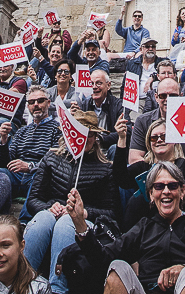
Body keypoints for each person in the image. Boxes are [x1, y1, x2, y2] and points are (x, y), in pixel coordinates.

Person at [67, 162, 185, 294]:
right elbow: (102, 259)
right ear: (151, 195)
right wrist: (80, 223)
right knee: (118, 267)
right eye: (159, 186)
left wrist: (183, 269)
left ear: (182, 191)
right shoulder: (144, 226)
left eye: (172, 186)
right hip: (146, 289)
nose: (166, 191)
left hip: (184, 288)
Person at [23, 111, 116, 293]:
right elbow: (33, 200)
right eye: (79, 132)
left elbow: (112, 213)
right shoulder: (51, 158)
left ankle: (57, 288)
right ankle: (21, 280)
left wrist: (84, 213)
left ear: (96, 137)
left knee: (67, 222)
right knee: (43, 219)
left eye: (90, 134)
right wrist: (50, 207)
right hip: (52, 214)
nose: (84, 138)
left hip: (83, 223)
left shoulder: (105, 169)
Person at [113, 117, 185, 228]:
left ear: (174, 140)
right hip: (148, 230)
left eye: (164, 136)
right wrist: (121, 138)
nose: (159, 140)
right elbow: (120, 178)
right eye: (153, 138)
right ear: (149, 144)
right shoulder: (143, 167)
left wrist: (176, 190)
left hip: (183, 228)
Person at [129, 78, 185, 168]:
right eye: (163, 96)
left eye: (173, 95)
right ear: (156, 97)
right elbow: (134, 158)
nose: (168, 99)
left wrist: (171, 174)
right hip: (151, 175)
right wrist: (158, 174)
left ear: (181, 96)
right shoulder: (142, 121)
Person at [0, 85, 60, 201]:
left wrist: (30, 167)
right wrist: (3, 140)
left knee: (42, 177)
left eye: (40, 101)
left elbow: (54, 161)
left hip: (38, 176)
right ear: (28, 106)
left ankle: (25, 219)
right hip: (16, 176)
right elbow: (5, 163)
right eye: (32, 102)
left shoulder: (57, 129)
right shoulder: (22, 131)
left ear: (48, 103)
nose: (36, 104)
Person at [77, 68, 121, 149]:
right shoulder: (84, 105)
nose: (94, 87)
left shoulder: (119, 105)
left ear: (108, 85)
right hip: (89, 148)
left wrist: (100, 139)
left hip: (109, 147)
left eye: (98, 83)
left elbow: (126, 132)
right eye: (91, 83)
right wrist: (74, 117)